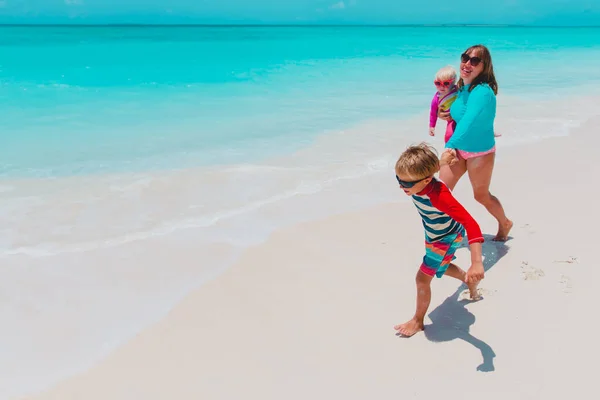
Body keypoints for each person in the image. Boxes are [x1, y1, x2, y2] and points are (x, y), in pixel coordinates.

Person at [393, 143, 485, 337]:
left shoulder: (440, 197)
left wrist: (476, 262)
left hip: (446, 237)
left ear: (426, 180)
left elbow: (472, 224)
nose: (402, 187)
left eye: (407, 184)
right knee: (439, 266)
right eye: (398, 180)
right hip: (435, 233)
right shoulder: (420, 180)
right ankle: (467, 280)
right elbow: (432, 170)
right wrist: (441, 162)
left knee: (422, 278)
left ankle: (417, 321)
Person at [438, 44, 512, 241]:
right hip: (459, 147)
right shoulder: (463, 88)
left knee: (481, 196)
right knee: (440, 192)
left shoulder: (483, 92)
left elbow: (470, 120)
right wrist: (444, 114)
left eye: (475, 61)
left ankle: (505, 223)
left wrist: (450, 145)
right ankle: (449, 233)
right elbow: (461, 115)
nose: (467, 63)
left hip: (479, 151)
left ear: (484, 66)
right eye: (465, 58)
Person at [429, 66, 458, 143]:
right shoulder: (437, 98)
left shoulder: (457, 90)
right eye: (438, 83)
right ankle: (450, 148)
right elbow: (433, 113)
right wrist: (432, 126)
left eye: (446, 83)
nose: (441, 86)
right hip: (451, 120)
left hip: (462, 116)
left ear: (453, 82)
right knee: (449, 135)